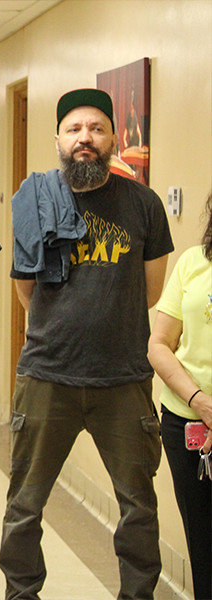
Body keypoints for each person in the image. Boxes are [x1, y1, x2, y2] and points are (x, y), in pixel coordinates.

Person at [0, 88, 173, 600]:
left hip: (124, 379)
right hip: (46, 376)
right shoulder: (36, 198)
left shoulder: (143, 204)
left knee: (138, 507)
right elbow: (25, 288)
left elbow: (153, 290)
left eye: (96, 129)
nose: (85, 139)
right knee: (24, 505)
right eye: (74, 129)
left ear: (113, 137)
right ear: (58, 138)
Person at [147, 191, 212, 600]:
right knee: (203, 542)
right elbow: (159, 344)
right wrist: (201, 402)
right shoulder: (192, 262)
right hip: (187, 422)